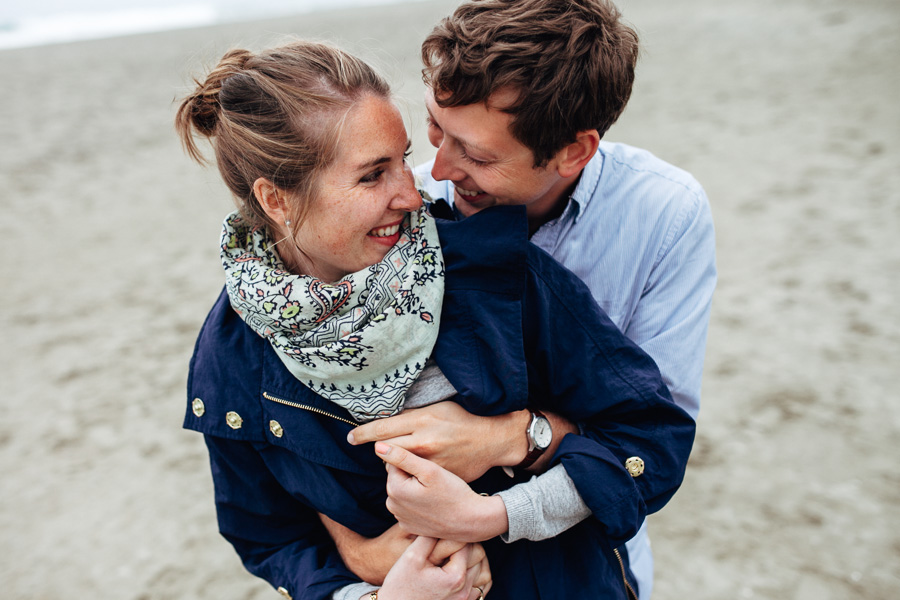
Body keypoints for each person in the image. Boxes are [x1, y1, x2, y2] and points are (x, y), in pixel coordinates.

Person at [176, 40, 694, 600]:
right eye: (373, 175)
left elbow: (649, 439)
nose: (412, 193)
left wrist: (498, 513)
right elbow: (269, 539)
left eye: (402, 158)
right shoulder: (233, 348)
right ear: (275, 200)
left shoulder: (494, 271)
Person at [334, 1, 717, 599]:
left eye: (478, 156)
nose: (437, 169)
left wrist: (513, 436)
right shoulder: (405, 200)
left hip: (589, 564)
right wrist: (354, 549)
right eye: (437, 127)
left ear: (573, 151)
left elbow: (657, 436)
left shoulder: (665, 216)